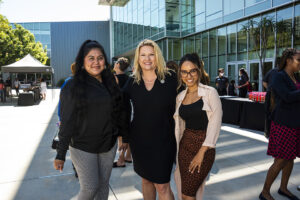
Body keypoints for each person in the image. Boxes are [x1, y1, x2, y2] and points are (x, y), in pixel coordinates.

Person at [53, 40, 128, 200]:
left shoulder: (110, 82)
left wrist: (124, 137)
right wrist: (60, 154)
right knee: (90, 188)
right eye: (91, 58)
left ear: (105, 61)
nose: (96, 62)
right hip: (82, 147)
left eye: (100, 58)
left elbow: (119, 111)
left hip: (108, 145)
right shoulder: (72, 85)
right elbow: (67, 121)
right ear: (82, 60)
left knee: (102, 187)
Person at [123, 39, 177, 200]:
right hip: (139, 141)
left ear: (157, 56)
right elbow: (120, 108)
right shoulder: (132, 82)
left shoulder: (170, 78)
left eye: (151, 54)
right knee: (146, 180)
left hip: (164, 141)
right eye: (143, 55)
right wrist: (124, 136)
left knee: (162, 185)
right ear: (138, 59)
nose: (147, 59)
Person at [174, 53, 222, 200]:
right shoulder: (180, 96)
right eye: (184, 72)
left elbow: (215, 122)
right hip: (184, 146)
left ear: (199, 71)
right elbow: (179, 125)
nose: (188, 75)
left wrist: (202, 152)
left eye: (192, 70)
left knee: (188, 194)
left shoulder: (210, 93)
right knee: (185, 193)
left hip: (204, 147)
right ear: (180, 74)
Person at [259, 48, 300, 200]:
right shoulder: (278, 76)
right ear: (289, 60)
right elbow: (287, 97)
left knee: (290, 158)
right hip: (283, 124)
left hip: (295, 123)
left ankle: (283, 188)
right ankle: (265, 192)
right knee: (281, 159)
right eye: (299, 60)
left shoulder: (295, 77)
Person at [112, 57, 132, 168]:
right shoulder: (128, 78)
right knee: (126, 132)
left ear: (119, 65)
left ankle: (121, 160)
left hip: (118, 109)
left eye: (116, 63)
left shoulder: (114, 78)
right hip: (127, 107)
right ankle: (128, 156)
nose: (114, 64)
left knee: (120, 136)